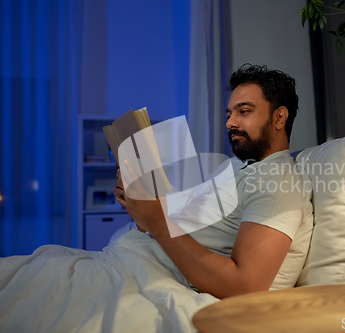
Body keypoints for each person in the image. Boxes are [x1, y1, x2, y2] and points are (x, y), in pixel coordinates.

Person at [113, 64, 312, 299]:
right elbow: (181, 234)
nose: (230, 123)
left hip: (152, 285)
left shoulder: (277, 184)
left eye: (244, 112)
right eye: (229, 115)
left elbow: (243, 286)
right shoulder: (238, 169)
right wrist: (141, 207)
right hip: (132, 267)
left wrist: (156, 220)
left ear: (279, 117)